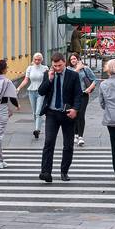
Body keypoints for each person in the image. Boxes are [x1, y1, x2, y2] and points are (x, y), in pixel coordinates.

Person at [37, 52, 81, 183]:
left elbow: (78, 95)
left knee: (68, 144)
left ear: (64, 63)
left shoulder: (73, 75)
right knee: (49, 142)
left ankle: (64, 171)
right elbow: (41, 91)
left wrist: (75, 109)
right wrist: (49, 79)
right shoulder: (48, 74)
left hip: (67, 113)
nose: (57, 68)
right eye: (55, 66)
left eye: (60, 65)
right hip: (52, 113)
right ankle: (46, 172)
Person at [15, 52, 48, 139]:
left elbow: (47, 81)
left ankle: (37, 130)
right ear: (33, 60)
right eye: (35, 59)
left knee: (38, 111)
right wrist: (18, 88)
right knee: (34, 112)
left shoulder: (45, 68)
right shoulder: (30, 68)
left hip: (41, 92)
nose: (37, 61)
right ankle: (38, 127)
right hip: (31, 91)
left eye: (39, 59)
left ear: (42, 60)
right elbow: (26, 80)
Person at [70, 55, 97, 148]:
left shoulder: (86, 69)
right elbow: (69, 79)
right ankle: (75, 134)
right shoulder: (68, 69)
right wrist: (77, 69)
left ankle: (80, 136)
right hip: (72, 96)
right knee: (74, 115)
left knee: (81, 114)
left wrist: (89, 88)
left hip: (83, 95)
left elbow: (95, 80)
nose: (73, 60)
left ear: (78, 59)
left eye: (74, 58)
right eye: (71, 59)